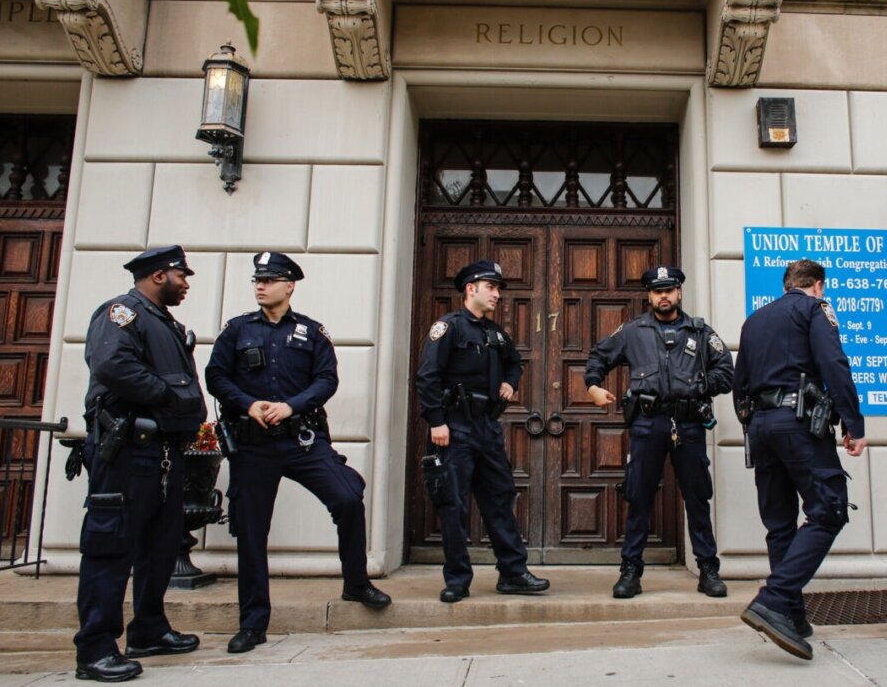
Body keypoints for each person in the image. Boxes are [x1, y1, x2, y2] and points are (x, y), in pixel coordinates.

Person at [205, 252, 392, 654]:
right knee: (252, 533)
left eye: (270, 280)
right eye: (257, 280)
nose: (260, 285)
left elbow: (327, 379)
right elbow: (215, 376)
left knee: (347, 497)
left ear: (289, 286)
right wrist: (248, 404)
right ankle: (253, 624)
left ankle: (356, 583)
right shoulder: (236, 331)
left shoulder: (311, 332)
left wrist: (291, 405)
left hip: (302, 440)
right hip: (254, 444)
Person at [74, 245, 206, 682]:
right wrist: (169, 396)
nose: (185, 283)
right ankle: (95, 648)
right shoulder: (121, 313)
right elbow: (112, 365)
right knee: (111, 549)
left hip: (163, 453)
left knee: (160, 546)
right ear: (157, 276)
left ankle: (149, 629)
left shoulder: (163, 322)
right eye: (180, 275)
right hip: (128, 451)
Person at [731, 259, 867, 661]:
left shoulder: (754, 320)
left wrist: (755, 424)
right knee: (829, 510)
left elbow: (740, 385)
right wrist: (852, 424)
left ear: (787, 283)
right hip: (799, 424)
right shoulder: (814, 309)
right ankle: (774, 599)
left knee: (779, 524)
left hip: (760, 425)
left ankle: (791, 616)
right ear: (817, 285)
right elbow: (834, 366)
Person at [584, 265, 734, 600]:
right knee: (638, 496)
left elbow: (726, 372)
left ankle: (708, 569)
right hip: (647, 424)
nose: (663, 296)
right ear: (649, 295)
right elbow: (598, 357)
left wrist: (697, 386)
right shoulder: (633, 331)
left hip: (689, 424)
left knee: (696, 496)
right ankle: (630, 571)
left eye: (669, 290)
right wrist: (593, 386)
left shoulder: (699, 332)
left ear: (679, 292)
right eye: (657, 291)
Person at [414, 260, 550, 603]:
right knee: (453, 504)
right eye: (491, 287)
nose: (498, 295)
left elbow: (514, 362)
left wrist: (510, 382)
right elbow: (427, 377)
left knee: (500, 498)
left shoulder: (495, 334)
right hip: (454, 427)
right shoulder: (448, 328)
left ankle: (513, 572)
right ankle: (458, 580)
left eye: (498, 288)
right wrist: (436, 422)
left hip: (486, 428)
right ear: (470, 289)